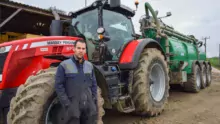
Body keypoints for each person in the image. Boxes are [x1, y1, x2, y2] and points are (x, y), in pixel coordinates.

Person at [54, 39, 98, 124]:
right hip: (73, 107)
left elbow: (94, 84)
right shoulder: (64, 65)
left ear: (85, 50)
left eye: (83, 48)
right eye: (78, 48)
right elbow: (59, 86)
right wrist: (67, 104)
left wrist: (93, 100)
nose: (81, 51)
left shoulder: (89, 66)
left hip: (88, 107)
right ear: (74, 49)